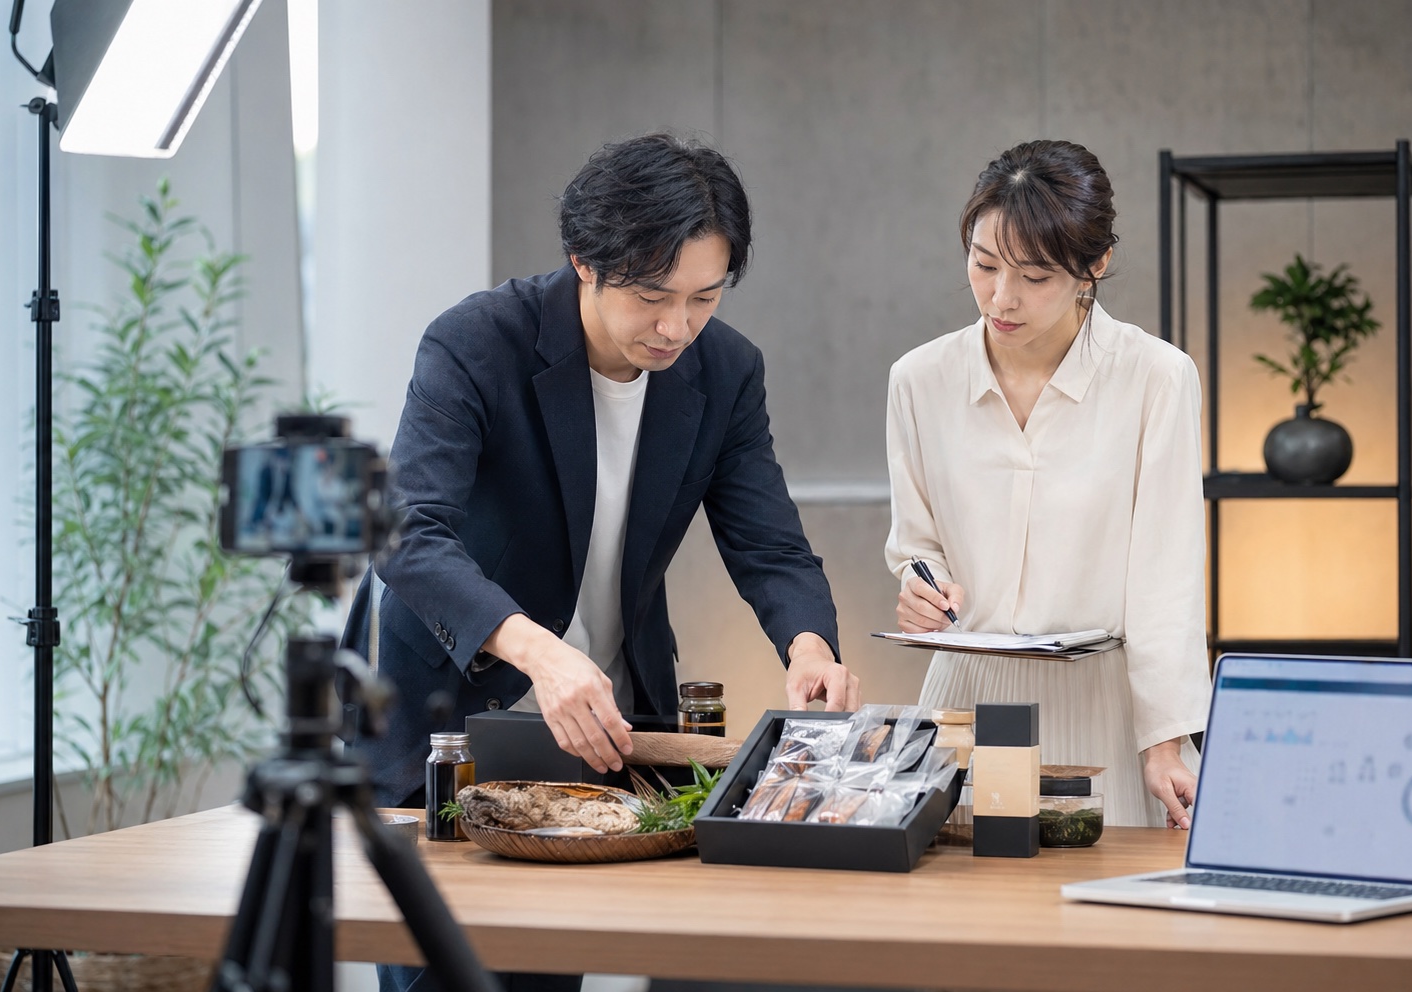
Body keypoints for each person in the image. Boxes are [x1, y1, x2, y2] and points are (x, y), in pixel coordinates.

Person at [343, 136, 859, 991]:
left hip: (602, 735)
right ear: (584, 261)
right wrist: (538, 651)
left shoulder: (725, 371)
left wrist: (811, 646)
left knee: (557, 973)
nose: (676, 327)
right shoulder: (477, 342)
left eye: (704, 297)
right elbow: (405, 528)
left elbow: (767, 542)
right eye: (653, 296)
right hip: (457, 726)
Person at [884, 139, 1209, 830]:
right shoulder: (919, 379)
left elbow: (1166, 578)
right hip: (963, 698)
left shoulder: (1156, 378)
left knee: (1097, 923)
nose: (1002, 297)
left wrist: (1165, 739)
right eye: (984, 264)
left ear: (1095, 265)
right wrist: (922, 587)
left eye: (1034, 276)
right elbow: (915, 544)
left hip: (1101, 702)